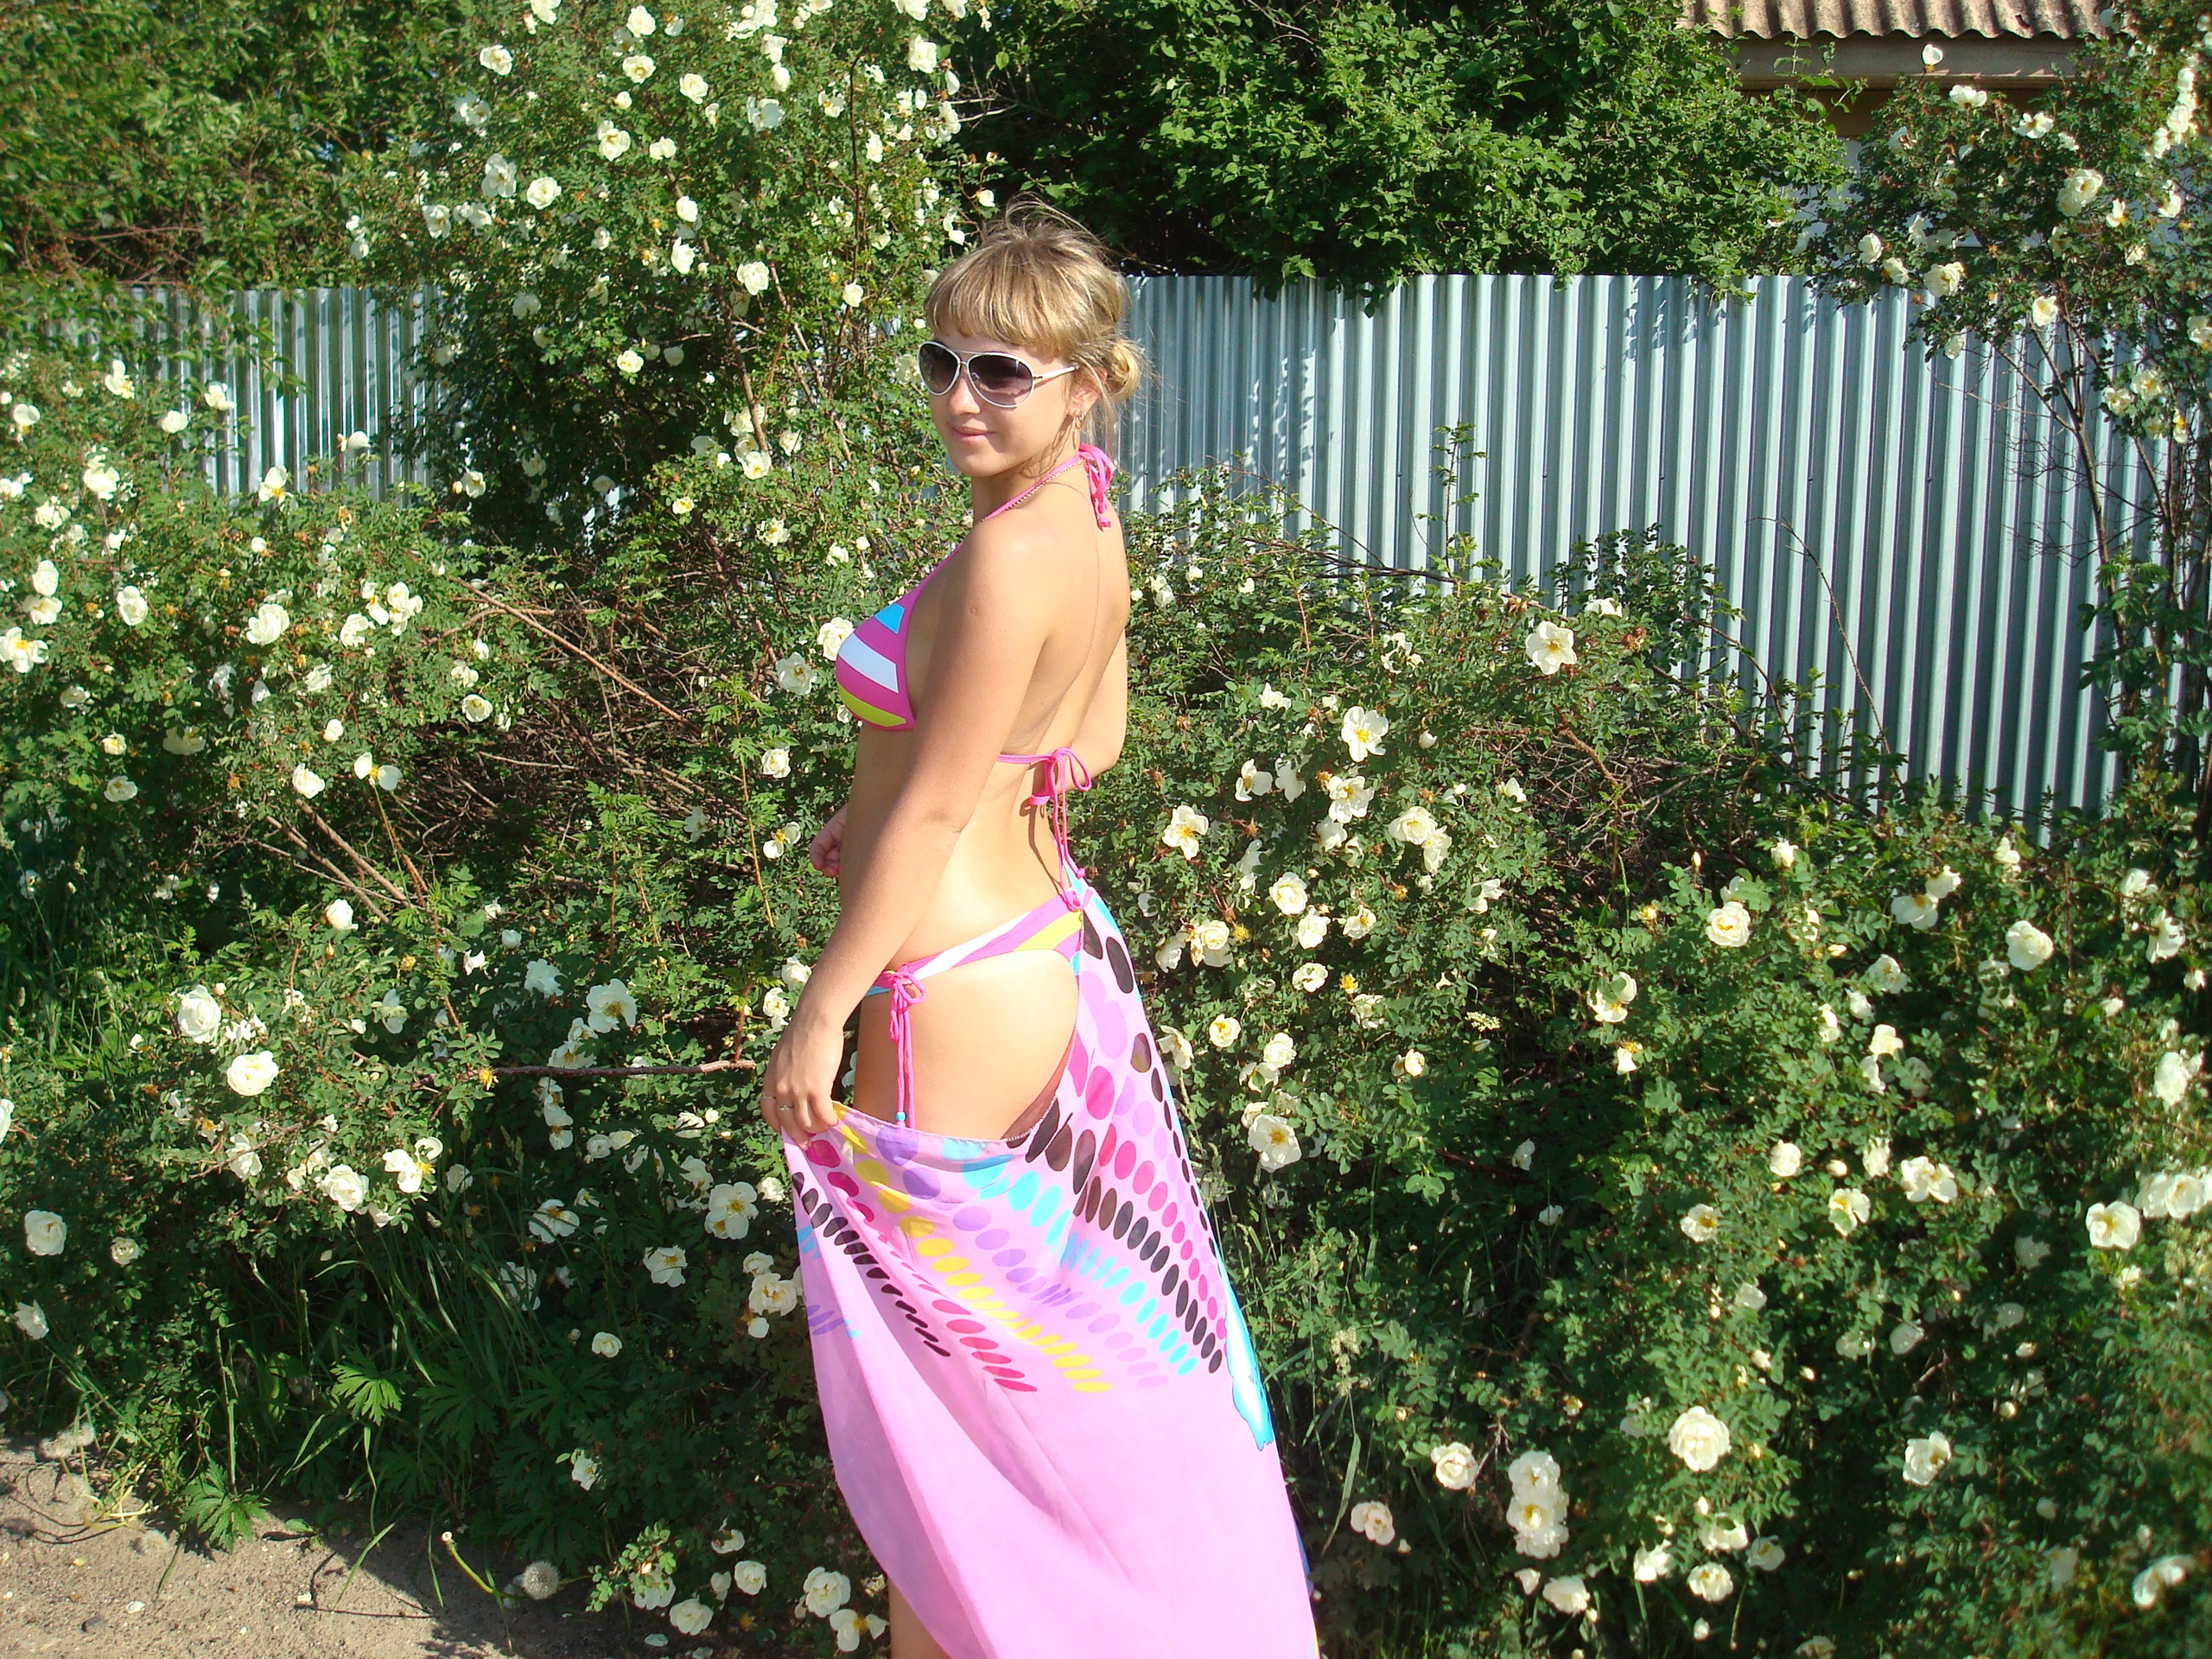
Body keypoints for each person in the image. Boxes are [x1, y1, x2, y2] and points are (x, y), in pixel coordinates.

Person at [758, 207, 1319, 1659]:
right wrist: (885, 805)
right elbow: (1094, 739)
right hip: (1040, 948)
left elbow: (943, 809)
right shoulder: (1088, 514)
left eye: (1001, 370)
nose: (961, 397)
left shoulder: (1011, 551)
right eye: (941, 361)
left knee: (949, 1430)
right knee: (1002, 1392)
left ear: (1088, 380)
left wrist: (820, 1010)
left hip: (941, 986)